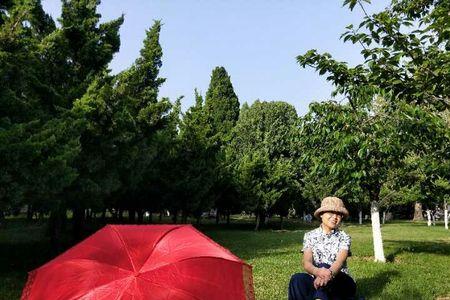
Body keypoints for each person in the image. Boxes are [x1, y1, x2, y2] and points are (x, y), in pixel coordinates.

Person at [288, 196, 357, 300]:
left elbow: (339, 262)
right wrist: (318, 272)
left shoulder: (344, 237)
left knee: (324, 265)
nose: (335, 217)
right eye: (331, 213)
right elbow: (307, 263)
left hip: (340, 281)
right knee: (297, 279)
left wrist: (327, 273)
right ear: (321, 214)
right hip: (316, 278)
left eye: (339, 214)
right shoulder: (309, 236)